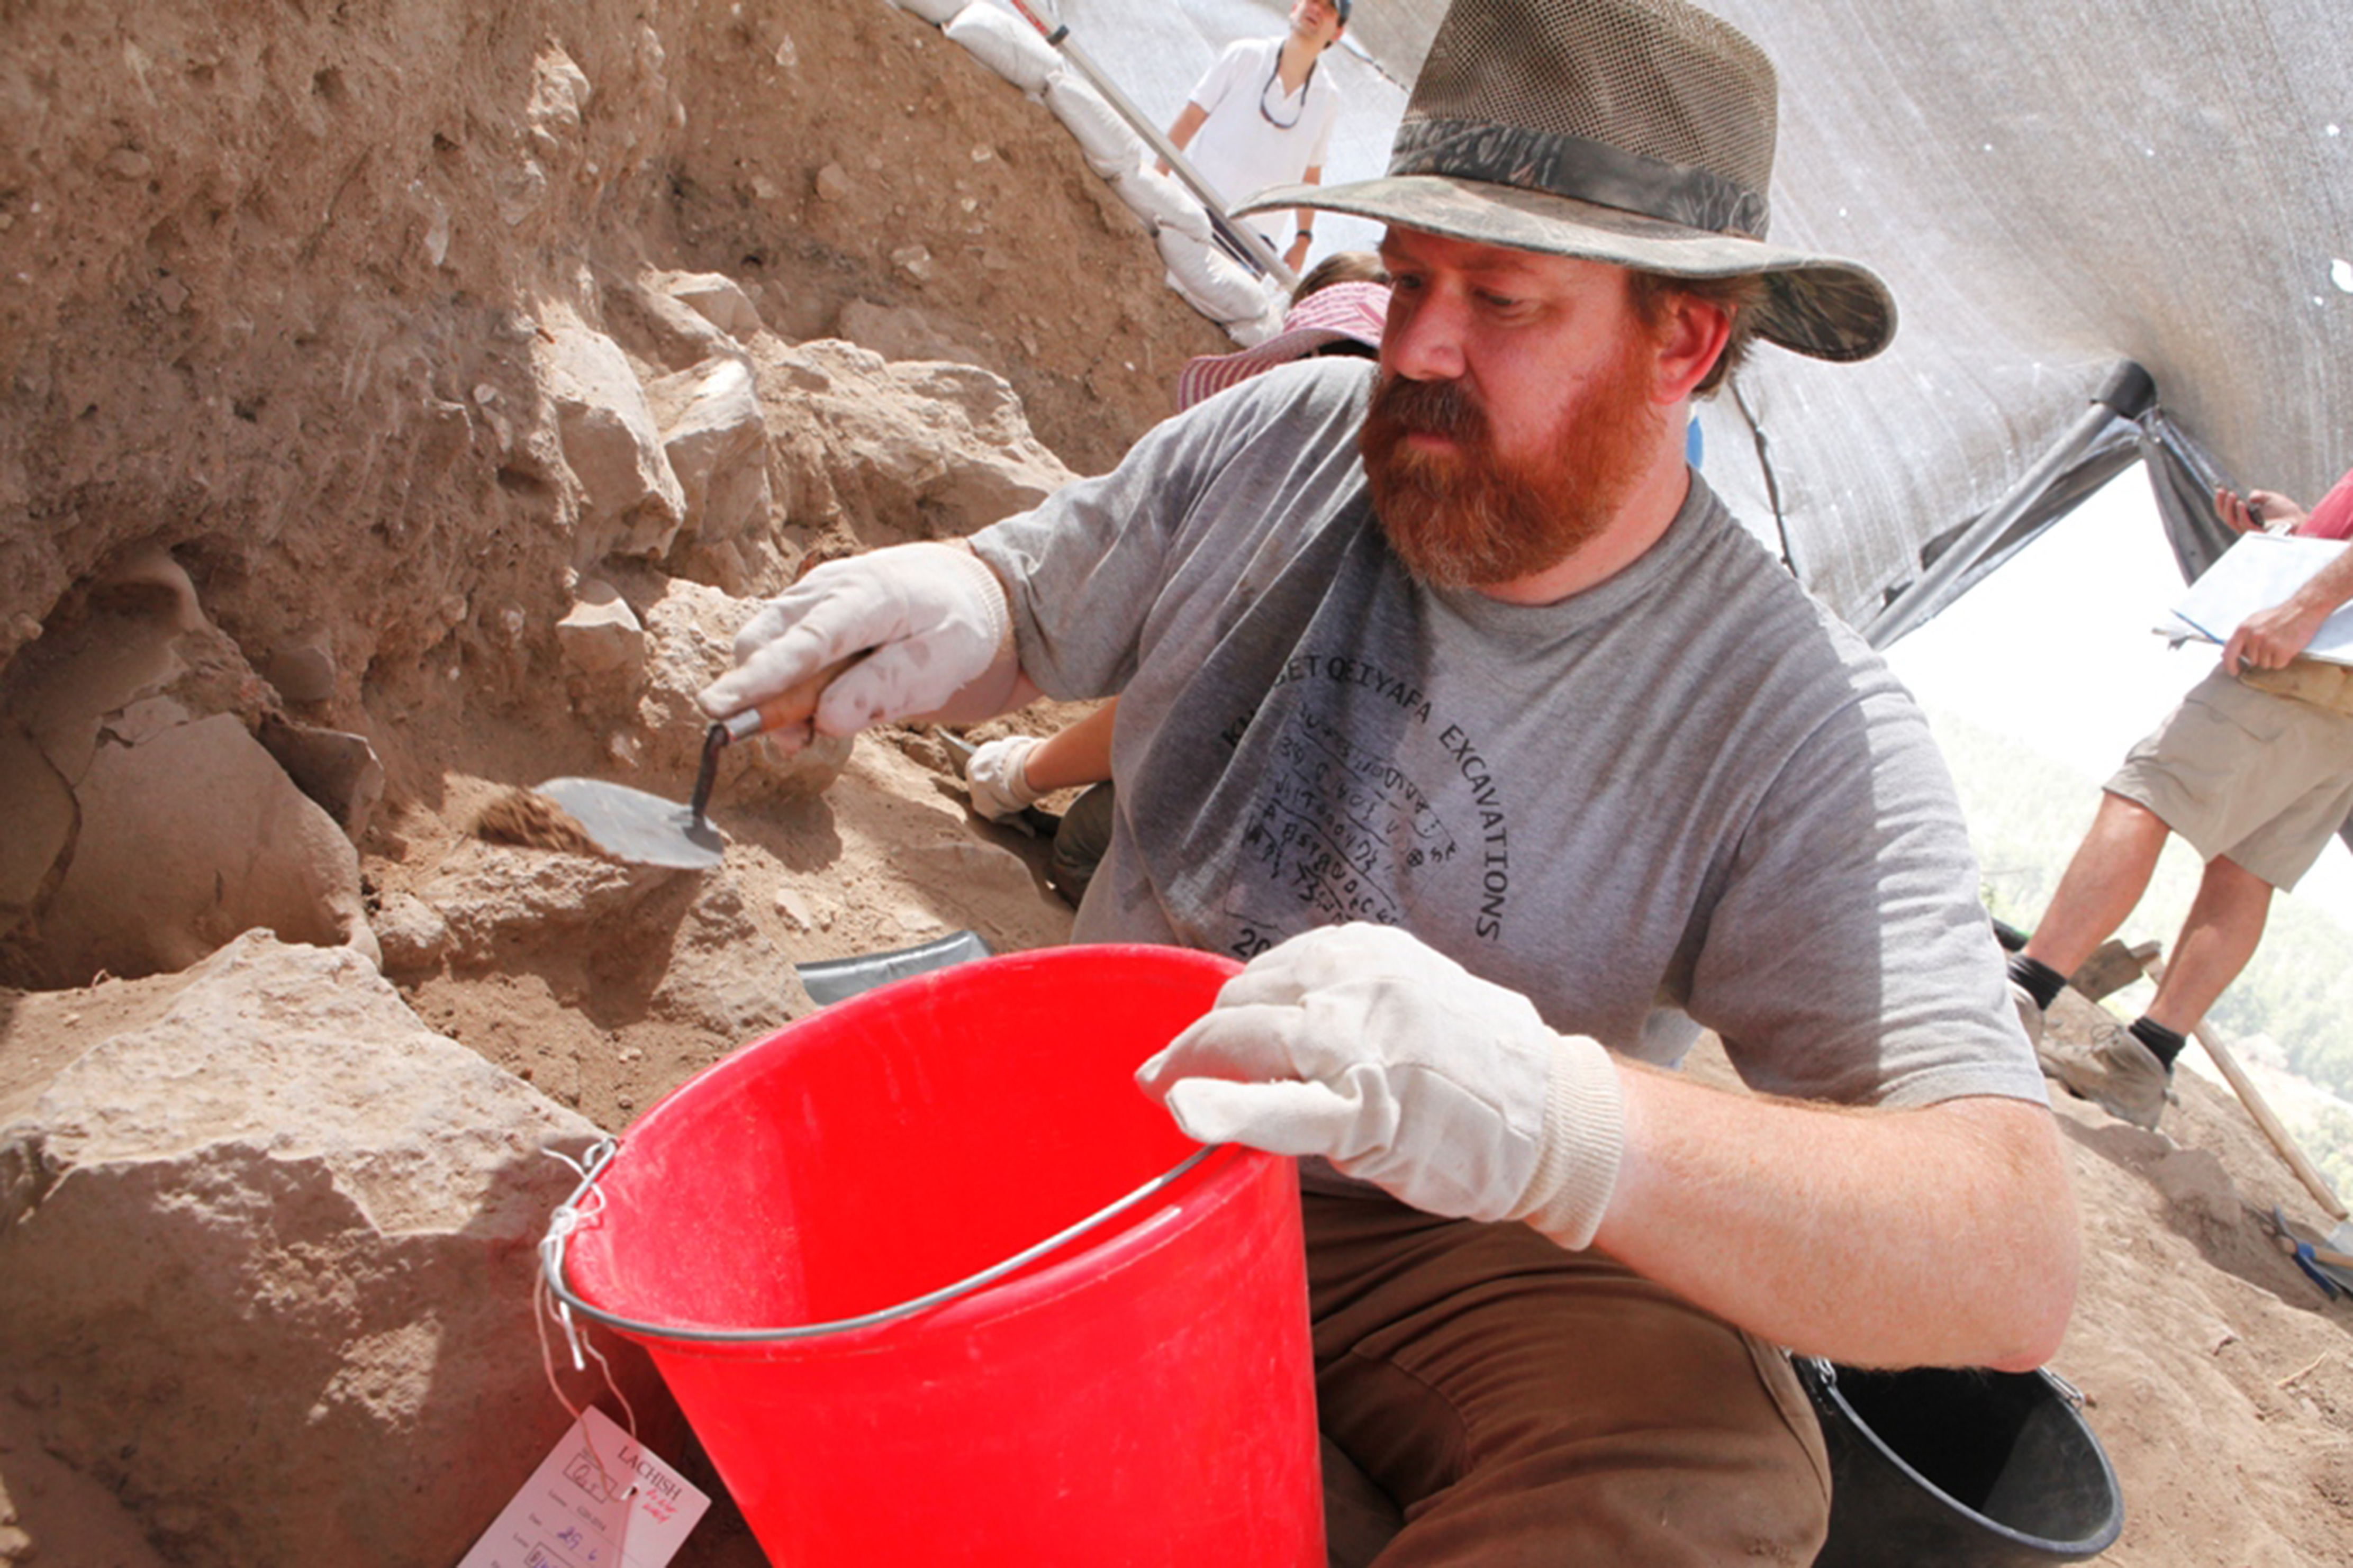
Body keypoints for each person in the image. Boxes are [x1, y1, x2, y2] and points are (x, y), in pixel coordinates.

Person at [699, 1, 2077, 1558]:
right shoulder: (1292, 436)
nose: (1417, 347)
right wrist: (951, 601)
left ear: (1680, 341)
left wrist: (1551, 1118)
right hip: (1121, 1111)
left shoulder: (1794, 718)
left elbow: (2008, 1252)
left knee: (1710, 1473)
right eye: (1412, 275)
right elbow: (1036, 595)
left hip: (1434, 1239)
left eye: (1502, 299)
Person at [963, 259, 1393, 903]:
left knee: (1087, 844)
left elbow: (1180, 706)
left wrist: (1021, 774)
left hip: (1284, 860)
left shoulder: (1303, 492)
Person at [2005, 469, 2353, 1130]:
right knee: (2247, 868)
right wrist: (2296, 527)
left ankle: (2023, 993)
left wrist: (2303, 608)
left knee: (2147, 795)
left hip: (2310, 660)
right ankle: (2142, 1060)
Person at [1162, 0, 1351, 275]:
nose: (1317, 10)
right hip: (1196, 205)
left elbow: (1310, 174)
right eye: (1312, 1)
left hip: (1256, 241)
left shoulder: (1328, 97)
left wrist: (1303, 240)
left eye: (1329, 9)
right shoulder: (1245, 55)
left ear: (1338, 34)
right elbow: (1192, 118)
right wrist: (1159, 175)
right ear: (1295, 6)